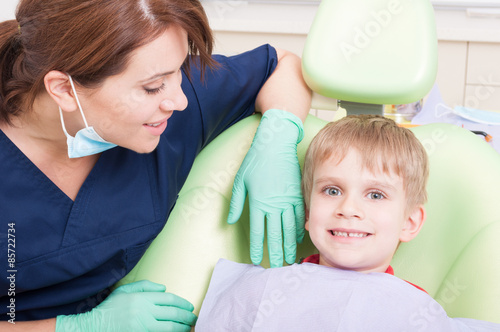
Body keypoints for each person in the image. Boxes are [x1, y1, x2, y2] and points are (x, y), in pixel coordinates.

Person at [0, 0, 311, 330]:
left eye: (178, 71)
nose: (179, 100)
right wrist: (79, 327)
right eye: (151, 88)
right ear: (63, 89)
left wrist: (279, 136)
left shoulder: (168, 110)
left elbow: (282, 64)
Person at [195, 115, 500, 330]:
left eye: (376, 195)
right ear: (307, 208)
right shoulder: (264, 293)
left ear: (409, 221)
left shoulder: (415, 311)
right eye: (332, 190)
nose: (349, 208)